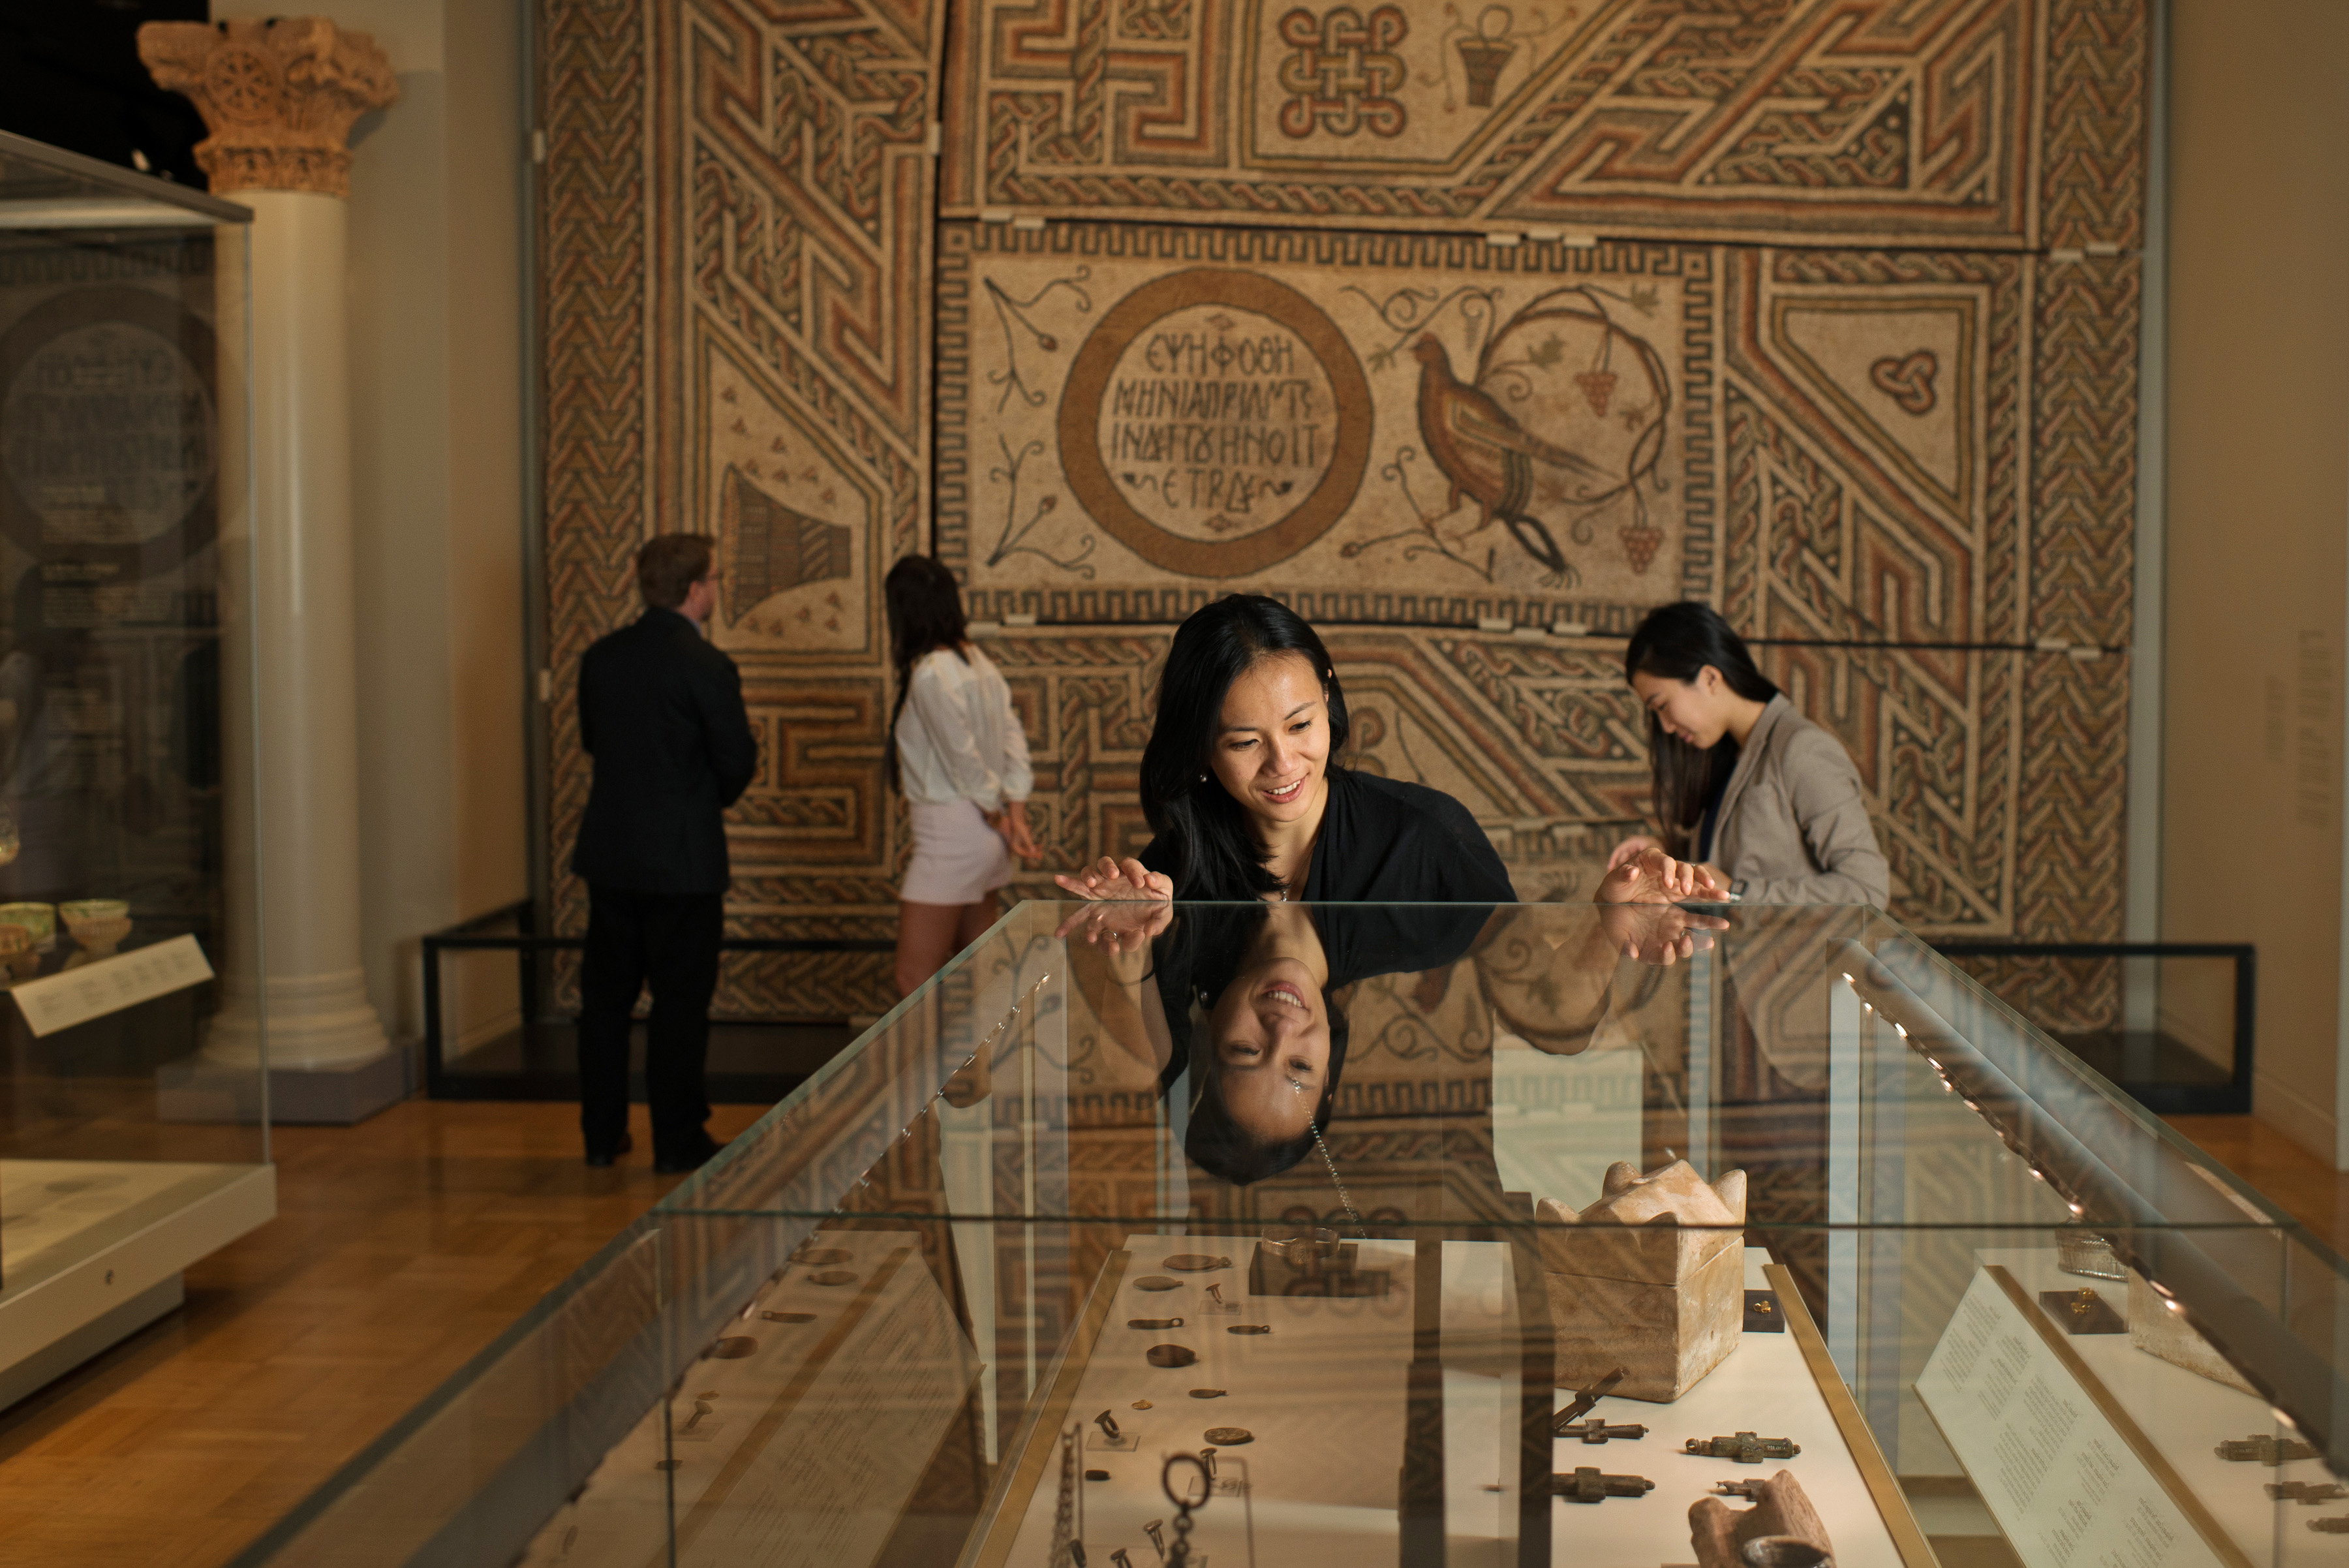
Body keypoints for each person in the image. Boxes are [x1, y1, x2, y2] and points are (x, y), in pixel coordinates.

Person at [1054, 594, 1514, 905]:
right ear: (1201, 748)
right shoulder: (1176, 865)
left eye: (1300, 725)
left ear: (1327, 696)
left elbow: (1532, 1013)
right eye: (1245, 742)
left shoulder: (1430, 838)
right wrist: (1126, 950)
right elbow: (1161, 1052)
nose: (1284, 762)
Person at [572, 534, 756, 1173]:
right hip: (683, 863)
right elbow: (737, 762)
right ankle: (677, 1141)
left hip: (611, 856)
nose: (717, 588)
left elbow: (595, 742)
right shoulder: (706, 666)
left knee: (605, 1003)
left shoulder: (601, 658)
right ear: (695, 589)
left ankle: (601, 1134)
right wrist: (697, 802)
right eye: (716, 578)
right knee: (679, 1007)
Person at [1608, 602, 1888, 908]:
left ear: (1710, 679)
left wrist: (1739, 892)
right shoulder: (1728, 754)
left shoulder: (1802, 750)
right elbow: (1729, 861)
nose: (1666, 727)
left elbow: (1867, 891)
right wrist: (1665, 853)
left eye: (1662, 705)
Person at [887, 556, 1041, 996]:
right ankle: (979, 1066)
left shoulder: (932, 673)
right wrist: (1015, 814)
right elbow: (1014, 743)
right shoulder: (980, 663)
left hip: (952, 835)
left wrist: (1001, 817)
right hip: (983, 838)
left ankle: (928, 1068)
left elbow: (965, 759)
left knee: (912, 979)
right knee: (978, 975)